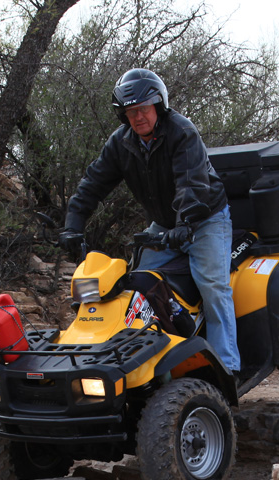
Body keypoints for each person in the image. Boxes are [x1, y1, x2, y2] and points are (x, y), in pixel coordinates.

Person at [58, 68, 240, 375]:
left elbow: (191, 185)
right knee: (139, 285)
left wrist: (185, 226)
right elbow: (93, 183)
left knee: (212, 285)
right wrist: (73, 224)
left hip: (206, 218)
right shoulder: (121, 143)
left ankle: (227, 367)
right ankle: (151, 359)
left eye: (143, 109)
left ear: (158, 106)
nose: (138, 117)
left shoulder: (182, 132)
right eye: (130, 112)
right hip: (165, 222)